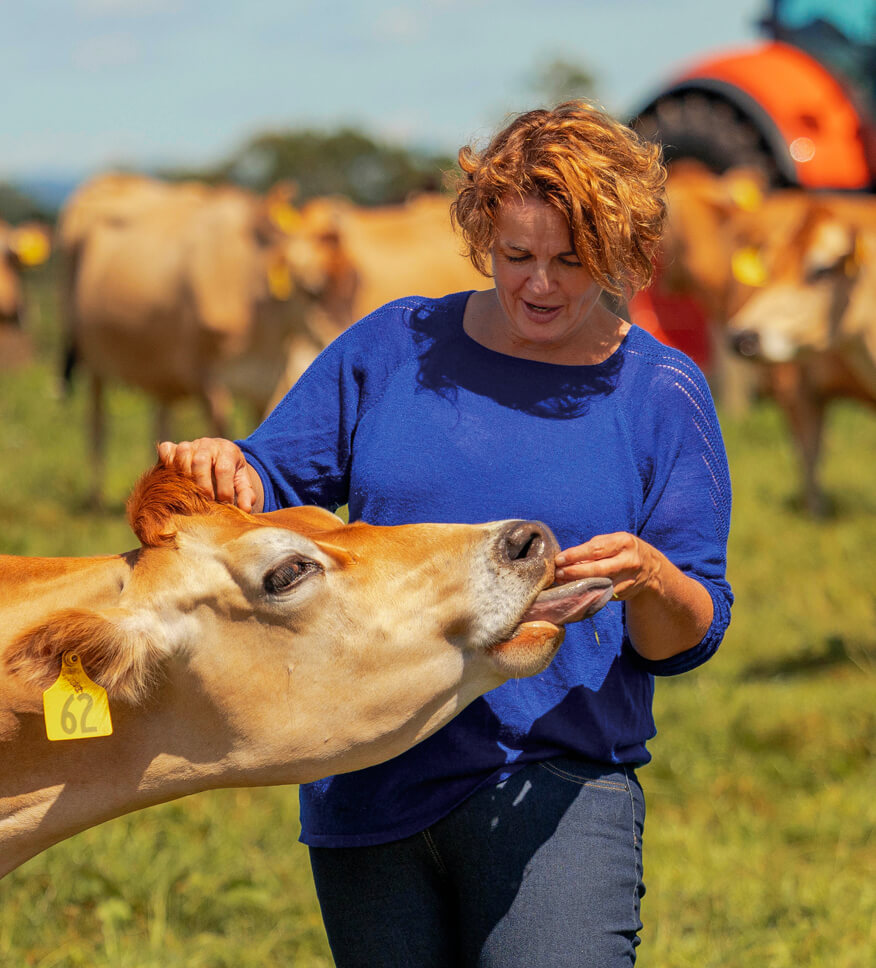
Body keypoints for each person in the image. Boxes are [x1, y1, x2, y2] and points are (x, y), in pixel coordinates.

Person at [158, 101, 732, 967]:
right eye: (517, 256)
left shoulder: (662, 393)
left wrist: (650, 576)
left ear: (620, 253)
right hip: (368, 772)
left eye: (572, 262)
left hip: (556, 787)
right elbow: (266, 486)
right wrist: (224, 467)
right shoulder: (392, 348)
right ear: (481, 237)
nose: (539, 284)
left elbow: (688, 637)